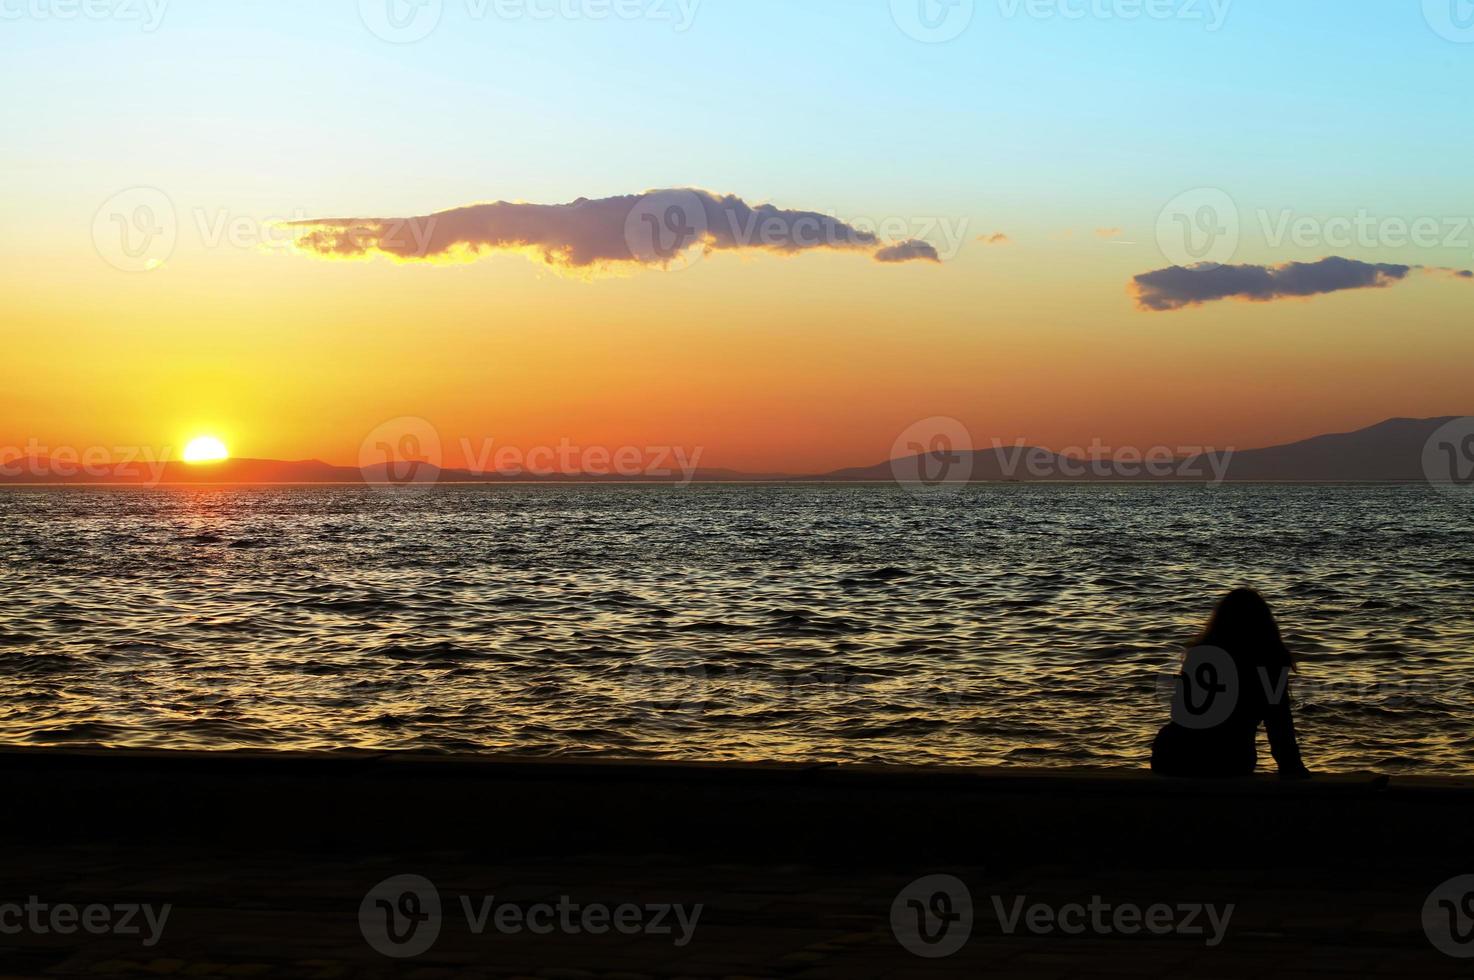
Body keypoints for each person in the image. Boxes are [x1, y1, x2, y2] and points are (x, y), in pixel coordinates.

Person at [1152, 588, 1311, 779]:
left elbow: (1179, 711)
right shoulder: (1268, 662)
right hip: (1230, 760)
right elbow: (1279, 724)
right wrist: (1292, 767)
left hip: (1173, 754)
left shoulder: (1199, 655)